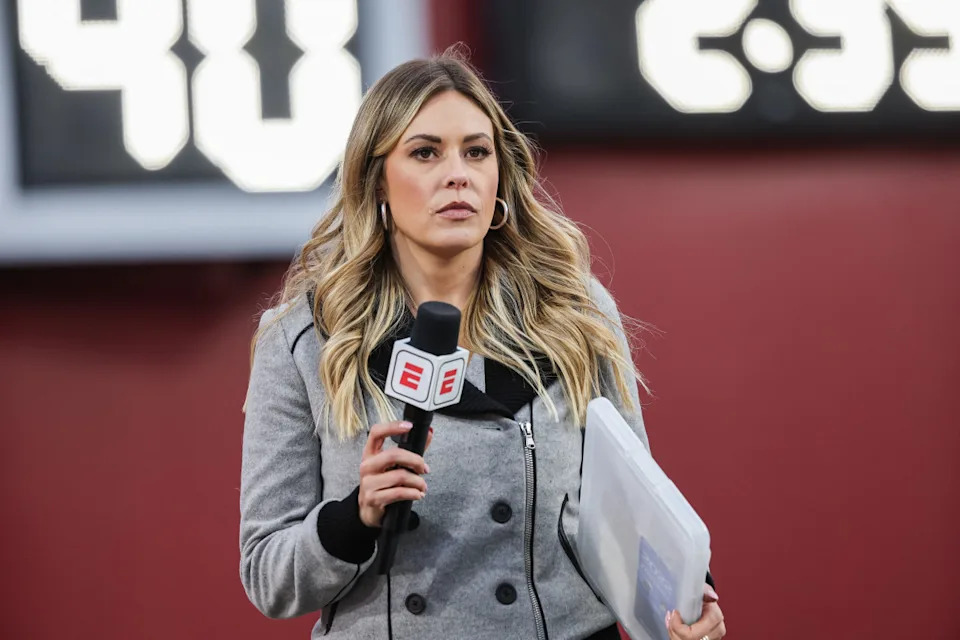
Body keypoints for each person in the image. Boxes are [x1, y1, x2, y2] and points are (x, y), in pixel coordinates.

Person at [240, 49, 726, 640]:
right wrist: (355, 516)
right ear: (377, 182)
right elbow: (266, 572)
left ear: (500, 174)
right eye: (425, 153)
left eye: (476, 151)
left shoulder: (577, 312)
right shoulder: (303, 339)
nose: (457, 174)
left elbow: (631, 508)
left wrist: (687, 594)